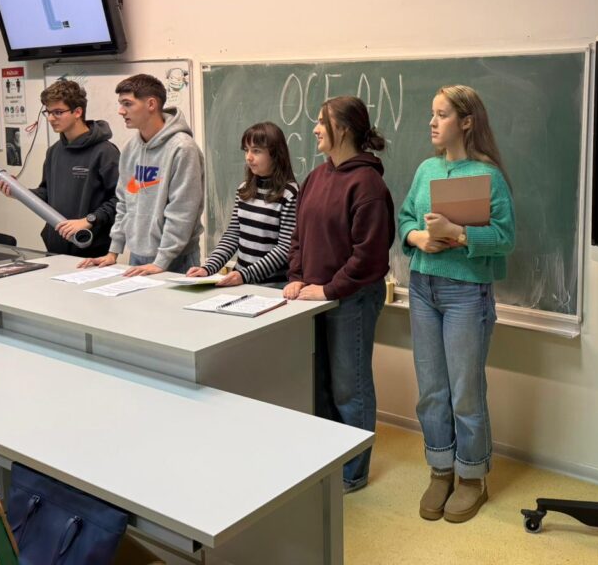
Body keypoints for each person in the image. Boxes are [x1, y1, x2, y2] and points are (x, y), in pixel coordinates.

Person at [397, 85, 515, 523]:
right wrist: (418, 237)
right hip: (422, 288)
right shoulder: (426, 169)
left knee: (465, 391)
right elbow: (405, 218)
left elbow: (505, 238)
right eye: (432, 114)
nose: (432, 122)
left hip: (467, 292)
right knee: (431, 389)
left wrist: (458, 234)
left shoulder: (488, 176)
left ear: (466, 122)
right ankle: (440, 468)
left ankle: (471, 476)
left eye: (442, 114)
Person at [284, 95, 394, 493]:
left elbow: (370, 256)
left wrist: (330, 288)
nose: (315, 129)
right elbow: (299, 235)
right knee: (321, 387)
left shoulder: (368, 184)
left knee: (351, 388)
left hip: (351, 299)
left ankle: (352, 473)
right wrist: (296, 276)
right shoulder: (316, 176)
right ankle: (328, 463)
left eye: (321, 121)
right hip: (314, 298)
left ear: (342, 129)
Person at [78, 74, 204, 276]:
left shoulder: (182, 148)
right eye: (121, 104)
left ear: (151, 104)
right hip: (138, 255)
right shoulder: (131, 148)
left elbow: (182, 211)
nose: (121, 111)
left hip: (176, 258)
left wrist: (161, 261)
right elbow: (124, 202)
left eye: (127, 104)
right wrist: (113, 251)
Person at [0, 80, 119, 257]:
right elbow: (46, 193)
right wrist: (18, 192)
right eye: (48, 112)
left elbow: (121, 199)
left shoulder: (105, 152)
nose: (51, 118)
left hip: (92, 249)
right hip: (55, 247)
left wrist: (89, 220)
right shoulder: (54, 151)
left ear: (78, 112)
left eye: (58, 112)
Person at [186, 122, 298, 287]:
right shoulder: (244, 189)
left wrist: (245, 275)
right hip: (242, 283)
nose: (248, 157)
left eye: (256, 151)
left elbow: (284, 248)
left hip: (271, 288)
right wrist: (208, 268)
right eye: (246, 150)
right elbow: (233, 234)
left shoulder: (290, 193)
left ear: (275, 154)